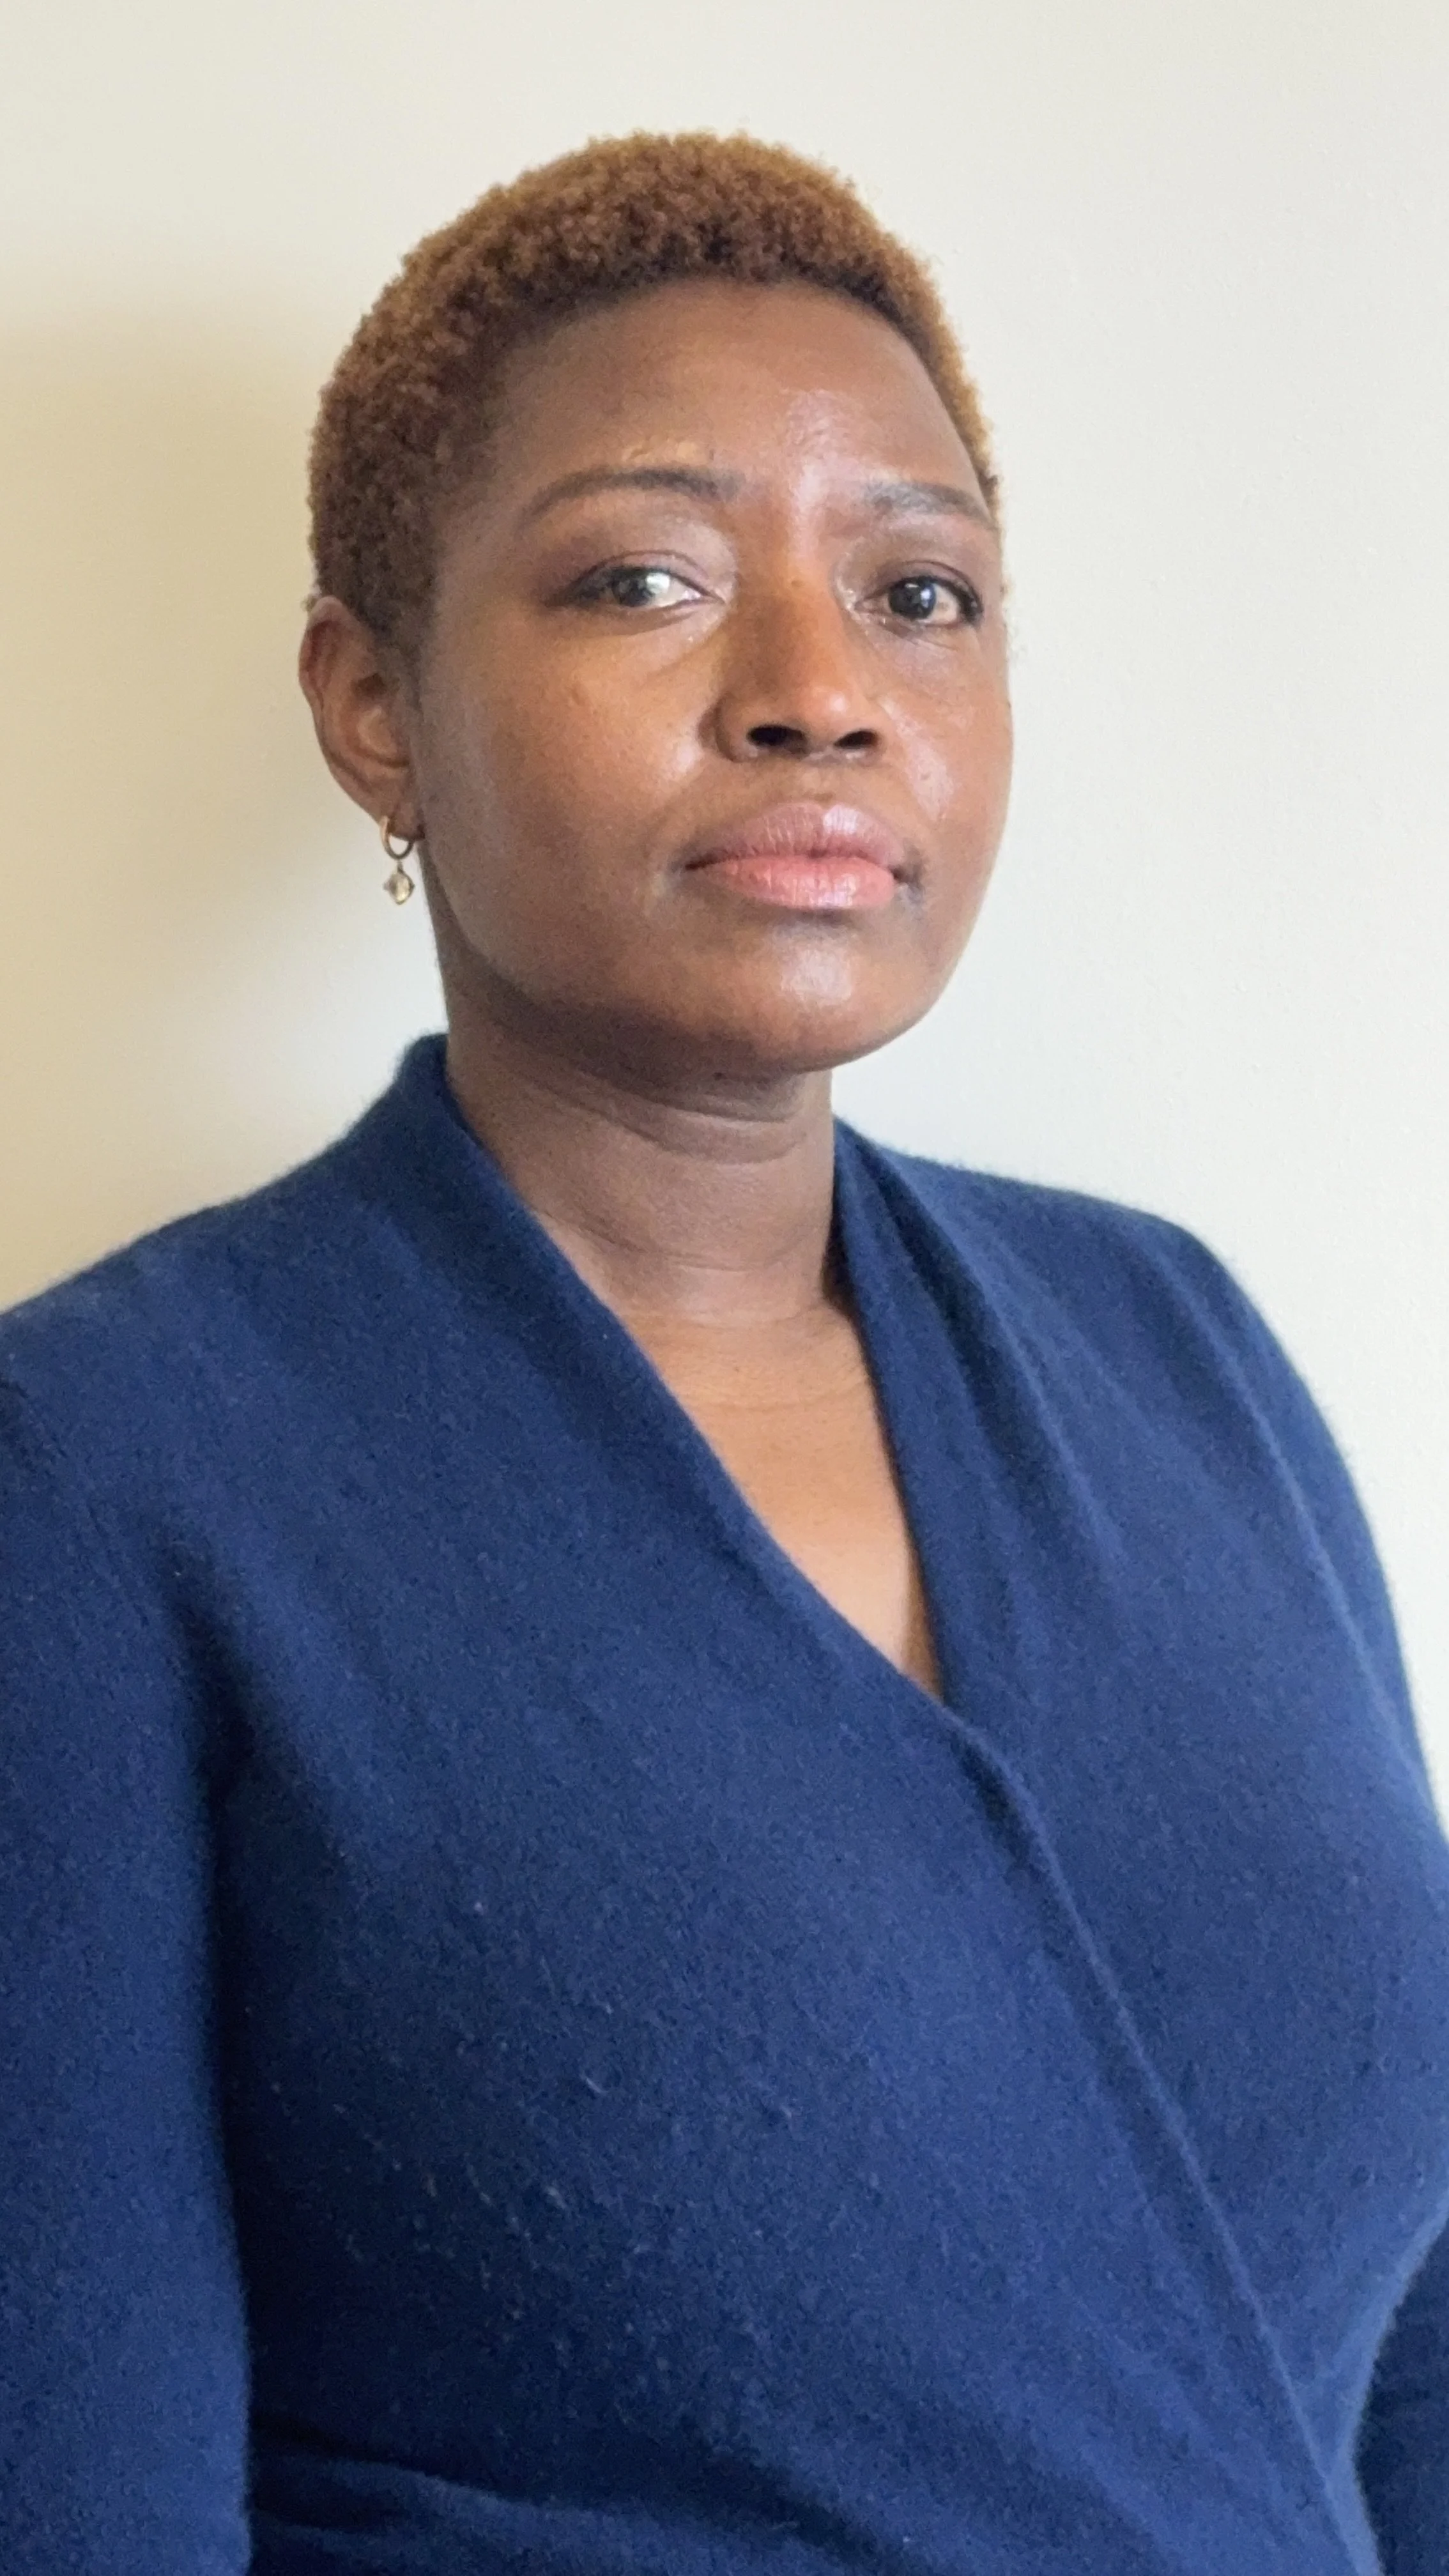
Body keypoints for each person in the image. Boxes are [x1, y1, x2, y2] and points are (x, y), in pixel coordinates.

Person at [1, 132, 1445, 2576]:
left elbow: (1405, 2343)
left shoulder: (1174, 1344)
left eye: (919, 592)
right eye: (645, 580)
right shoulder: (107, 1474)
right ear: (374, 701)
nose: (818, 697)